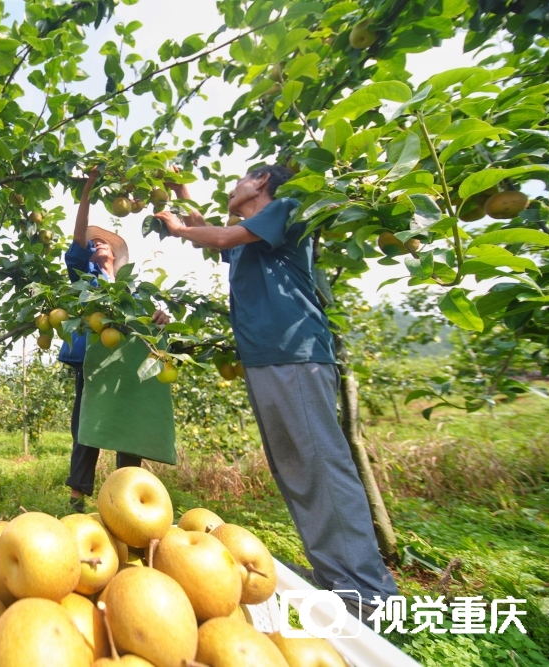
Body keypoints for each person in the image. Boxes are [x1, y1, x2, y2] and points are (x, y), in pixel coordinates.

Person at [153, 164, 398, 614]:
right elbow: (219, 234)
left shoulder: (288, 208)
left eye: (239, 178)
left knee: (321, 466)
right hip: (267, 358)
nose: (233, 186)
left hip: (295, 354)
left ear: (261, 180)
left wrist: (177, 227)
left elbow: (219, 238)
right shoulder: (250, 236)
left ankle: (370, 594)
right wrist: (180, 192)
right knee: (295, 470)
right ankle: (336, 580)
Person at [61, 168, 169, 513]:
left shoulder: (130, 287)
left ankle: (126, 500)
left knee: (129, 422)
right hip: (92, 360)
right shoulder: (83, 276)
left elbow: (143, 323)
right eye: (93, 243)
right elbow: (78, 238)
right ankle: (77, 501)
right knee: (87, 425)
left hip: (128, 362)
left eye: (102, 241)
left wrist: (160, 317)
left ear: (117, 256)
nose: (96, 244)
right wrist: (88, 190)